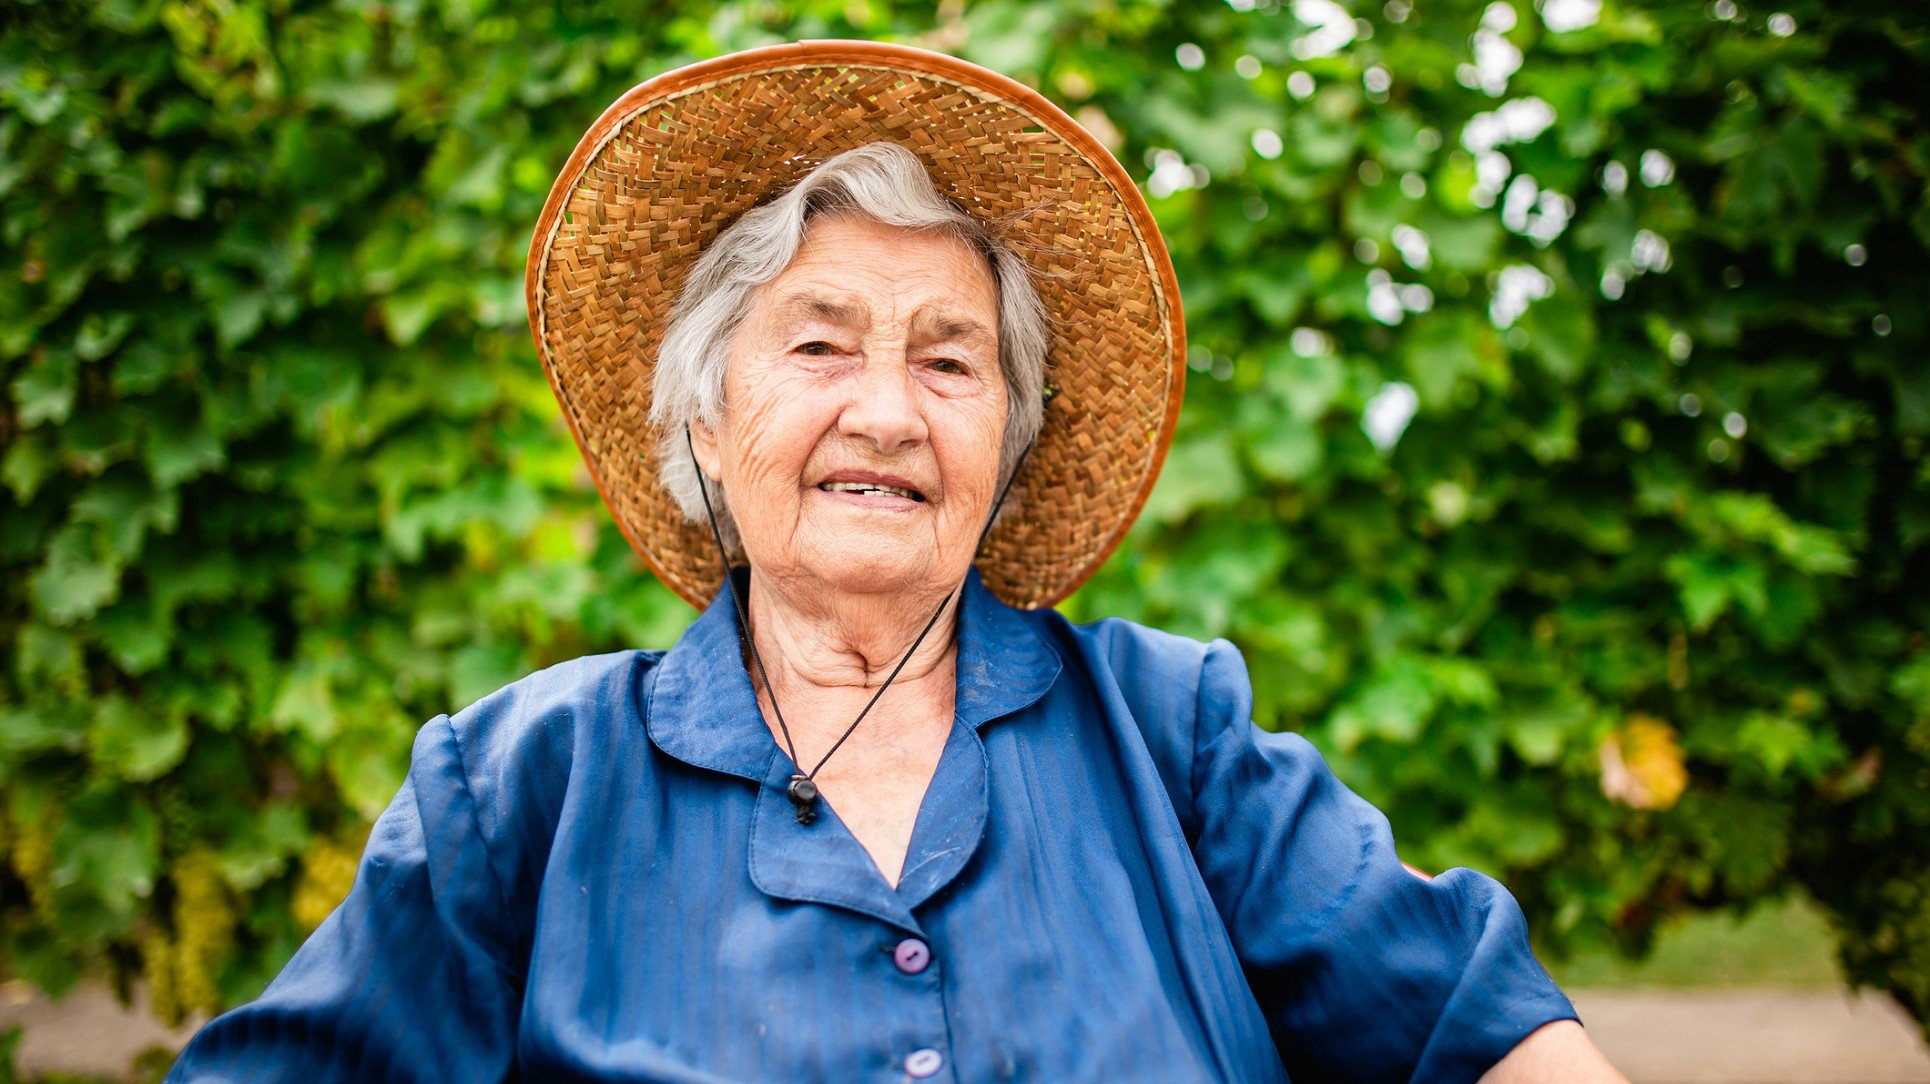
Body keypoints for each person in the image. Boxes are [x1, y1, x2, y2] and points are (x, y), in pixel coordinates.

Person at [167, 41, 1626, 1083]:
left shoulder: (1172, 731)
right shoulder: (518, 791)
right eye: (817, 343)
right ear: (705, 414)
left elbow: (1475, 1028)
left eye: (949, 359)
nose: (886, 409)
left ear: (1004, 442)